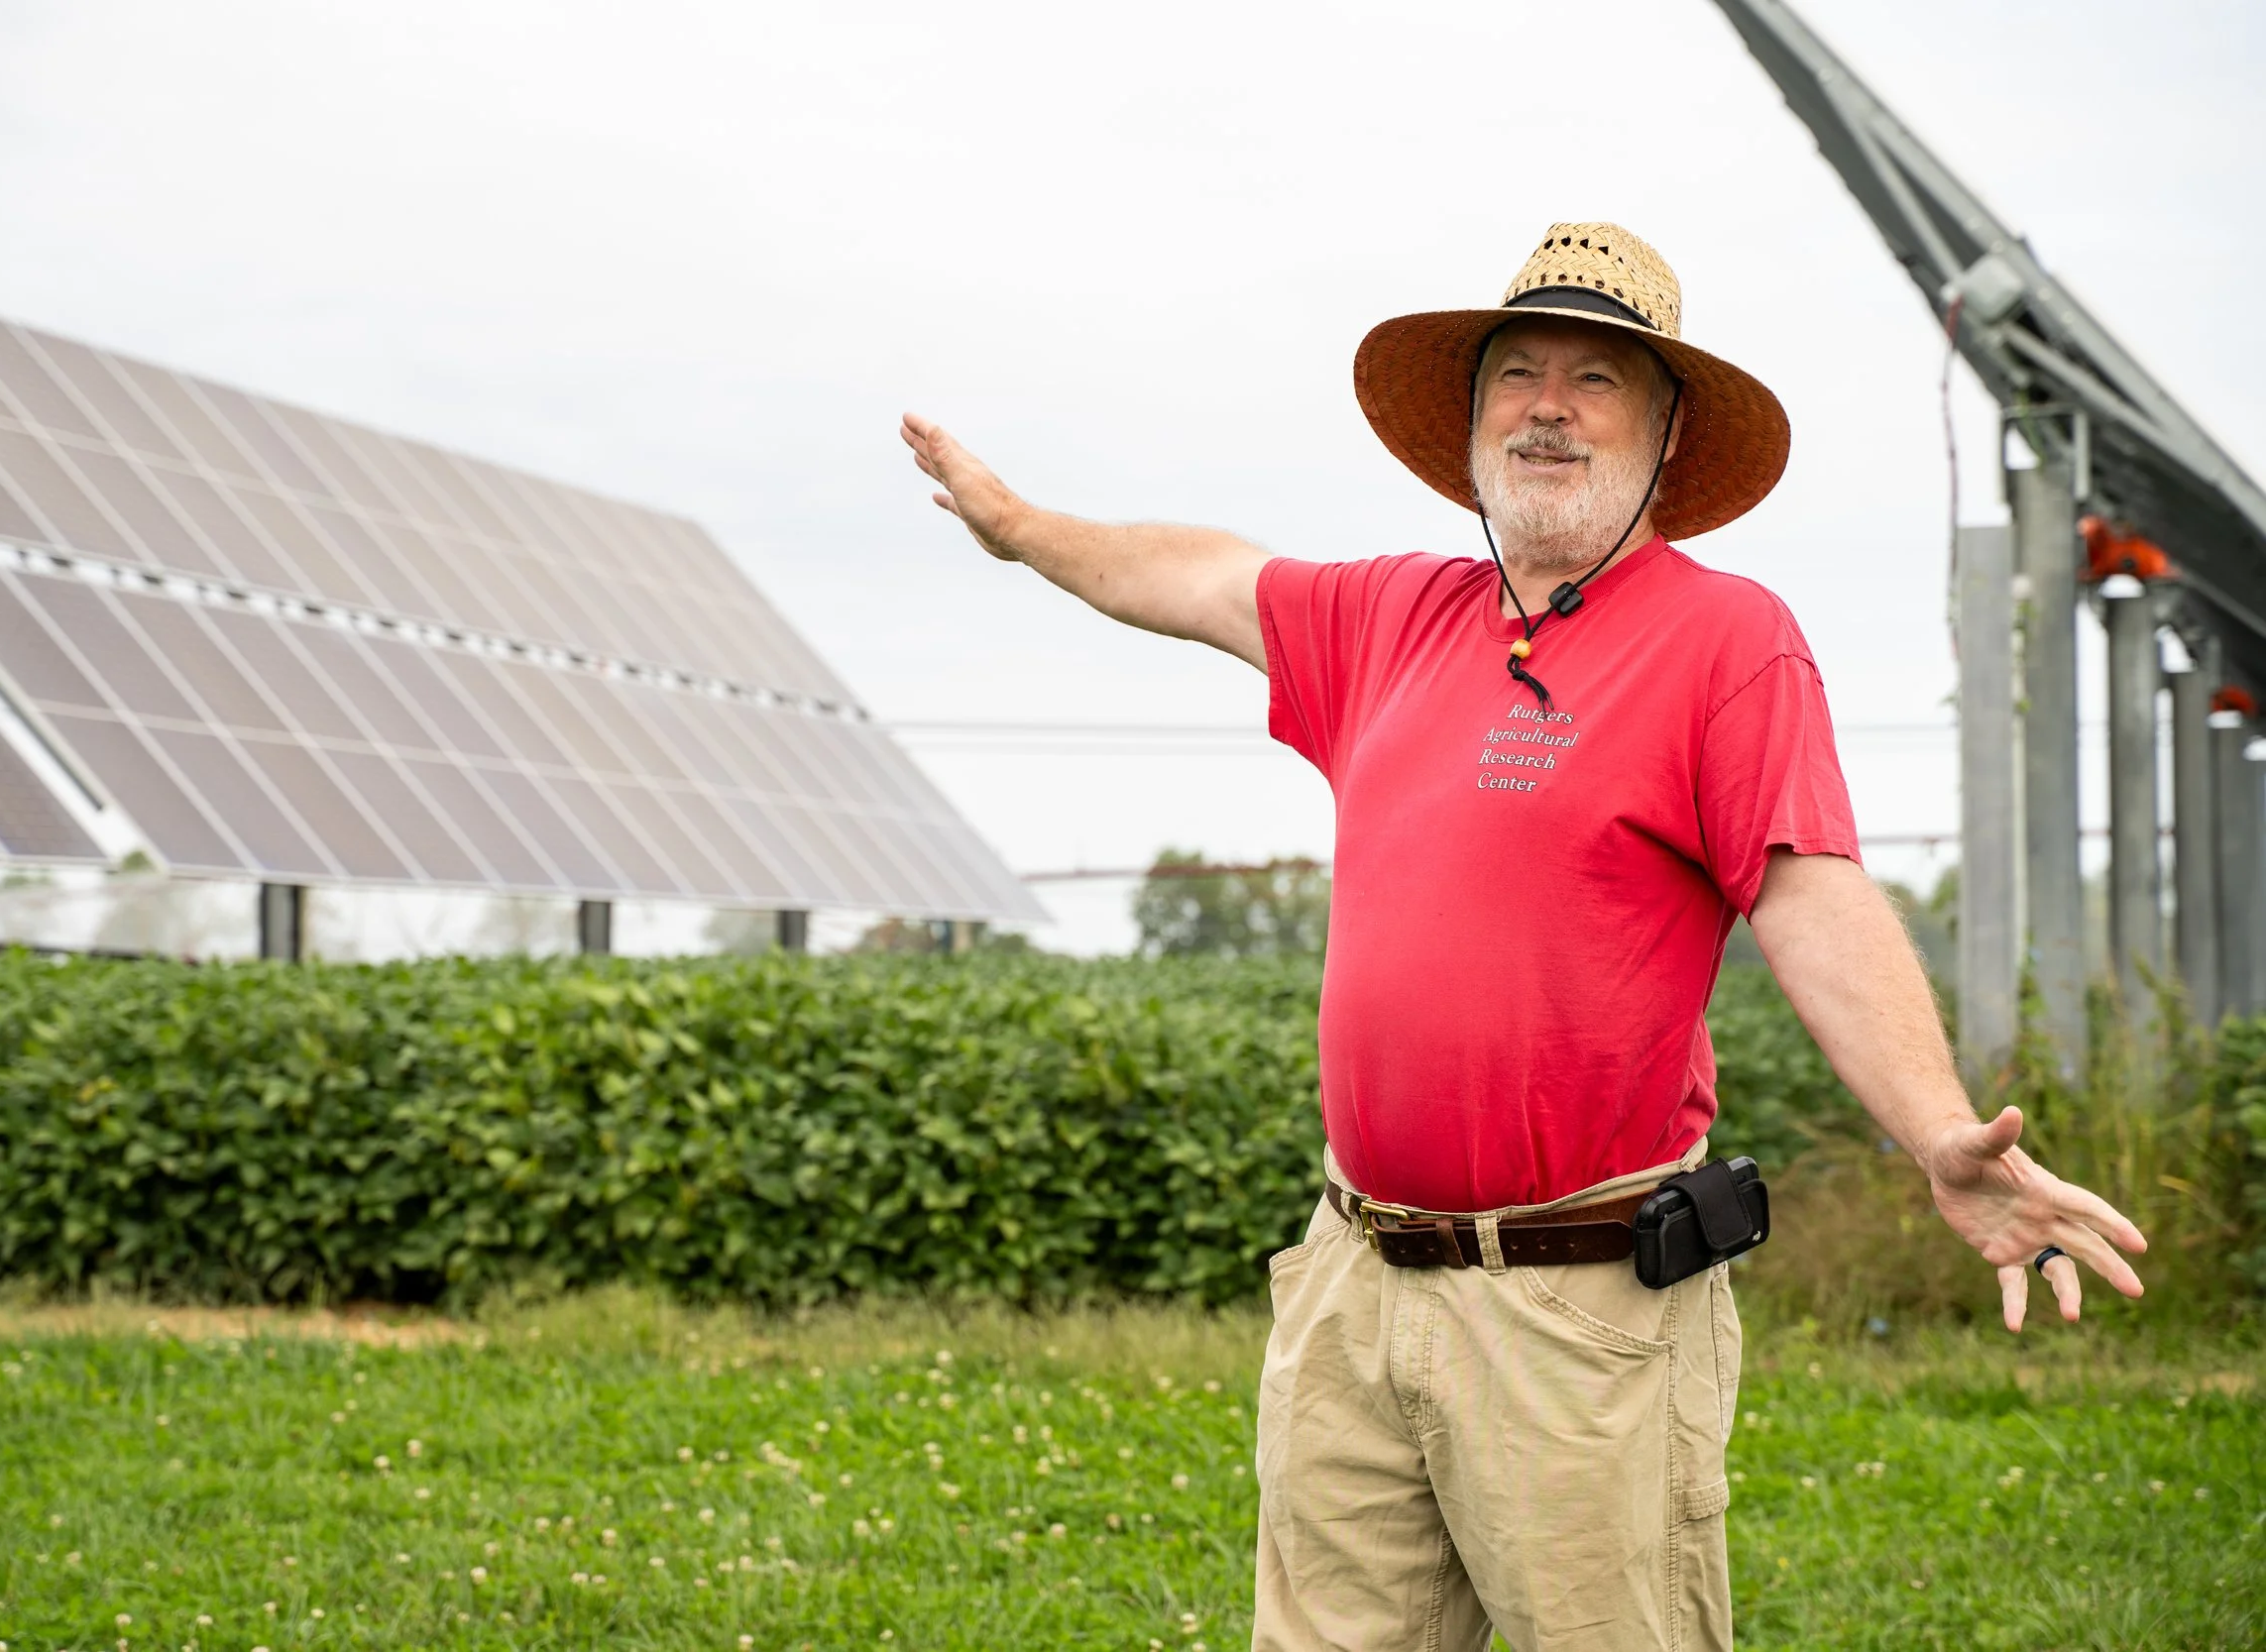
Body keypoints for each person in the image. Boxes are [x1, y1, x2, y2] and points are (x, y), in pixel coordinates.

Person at [899, 222, 2148, 1650]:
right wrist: (1018, 529)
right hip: (1355, 1287)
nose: (1547, 405)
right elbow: (1198, 575)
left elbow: (1810, 893)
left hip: (1580, 1318)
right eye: (1517, 373)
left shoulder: (1726, 640)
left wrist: (1937, 1133)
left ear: (1668, 434)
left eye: (1597, 378)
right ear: (1474, 416)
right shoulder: (1390, 618)